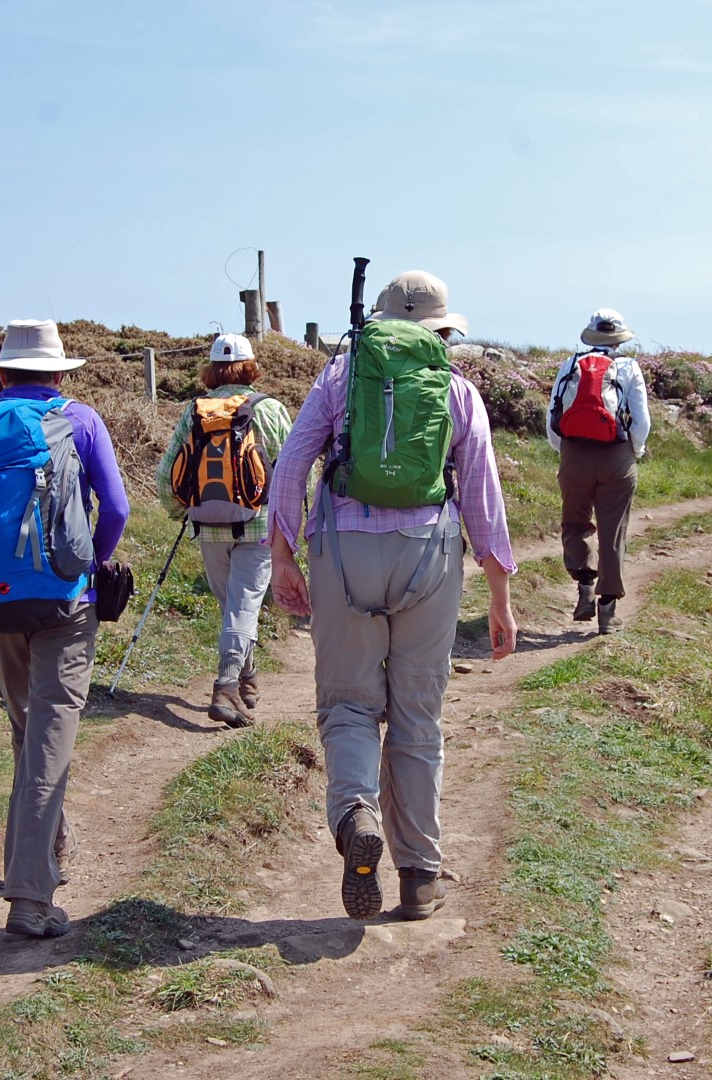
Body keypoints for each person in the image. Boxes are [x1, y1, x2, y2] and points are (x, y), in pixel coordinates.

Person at [267, 269, 517, 922]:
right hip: (429, 556)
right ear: (441, 331)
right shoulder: (457, 392)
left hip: (342, 555)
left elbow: (292, 464)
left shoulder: (337, 380)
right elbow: (483, 498)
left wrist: (282, 553)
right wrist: (499, 595)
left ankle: (355, 814)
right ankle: (419, 875)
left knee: (348, 704)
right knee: (416, 717)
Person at [0, 320, 129, 938]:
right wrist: (92, 566)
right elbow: (114, 507)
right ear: (60, 372)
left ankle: (44, 851)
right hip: (64, 599)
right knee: (48, 741)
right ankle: (31, 897)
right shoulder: (80, 421)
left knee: (26, 732)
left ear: (4, 373)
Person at [156, 333, 292, 727]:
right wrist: (296, 521)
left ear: (211, 369)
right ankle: (227, 685)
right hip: (260, 523)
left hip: (208, 524)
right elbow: (298, 467)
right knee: (243, 607)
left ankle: (246, 679)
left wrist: (180, 510)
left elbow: (166, 474)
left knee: (235, 608)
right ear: (251, 367)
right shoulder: (269, 409)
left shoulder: (194, 411)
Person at [547, 309, 651, 635]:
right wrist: (636, 450)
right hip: (615, 456)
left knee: (574, 522)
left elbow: (553, 410)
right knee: (612, 531)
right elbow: (641, 419)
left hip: (574, 452)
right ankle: (608, 611)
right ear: (619, 338)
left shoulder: (569, 365)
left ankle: (584, 584)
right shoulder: (629, 367)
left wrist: (563, 450)